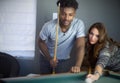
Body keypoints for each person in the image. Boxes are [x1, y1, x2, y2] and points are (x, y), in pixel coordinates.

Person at [38, 0, 85, 74]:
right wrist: (49, 59)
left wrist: (78, 65)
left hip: (64, 60)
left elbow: (80, 46)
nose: (66, 18)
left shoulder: (79, 24)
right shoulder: (48, 26)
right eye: (63, 14)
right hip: (46, 57)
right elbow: (40, 42)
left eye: (70, 15)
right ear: (59, 12)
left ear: (74, 14)